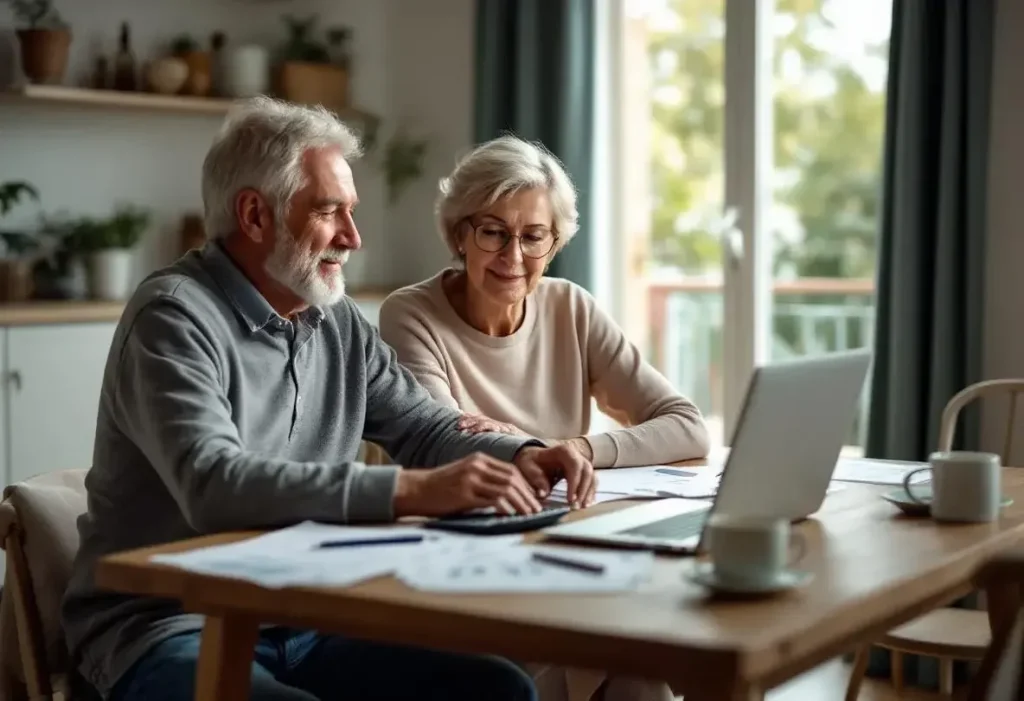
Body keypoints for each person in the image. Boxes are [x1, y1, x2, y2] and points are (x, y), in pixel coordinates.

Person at [60, 98, 596, 701]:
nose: (352, 236)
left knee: (497, 687)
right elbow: (215, 485)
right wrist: (410, 490)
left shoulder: (333, 317)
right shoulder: (174, 317)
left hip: (309, 611)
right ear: (255, 215)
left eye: (351, 212)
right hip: (169, 624)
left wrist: (524, 452)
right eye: (329, 211)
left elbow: (422, 426)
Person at [378, 135, 707, 701]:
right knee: (632, 659)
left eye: (533, 236)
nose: (513, 257)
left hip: (568, 546)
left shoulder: (570, 307)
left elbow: (686, 423)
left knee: (641, 665)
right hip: (471, 562)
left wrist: (577, 448)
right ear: (460, 233)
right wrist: (533, 451)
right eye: (493, 232)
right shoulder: (411, 314)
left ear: (553, 244)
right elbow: (446, 442)